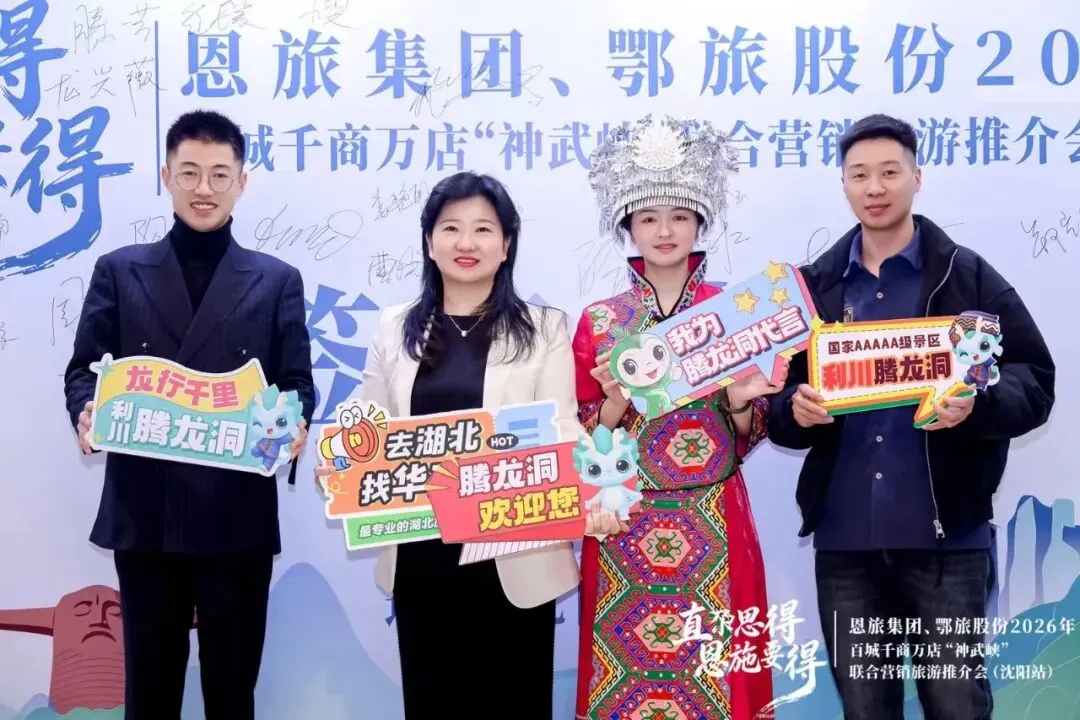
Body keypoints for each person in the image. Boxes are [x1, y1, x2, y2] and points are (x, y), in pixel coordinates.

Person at [766, 114, 1055, 719]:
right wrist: (795, 410)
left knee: (955, 705)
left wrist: (978, 404)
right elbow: (777, 400)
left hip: (946, 539)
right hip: (846, 542)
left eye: (889, 172)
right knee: (865, 708)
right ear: (843, 185)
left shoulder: (966, 277)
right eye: (859, 175)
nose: (875, 188)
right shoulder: (813, 288)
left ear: (916, 178)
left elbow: (1034, 379)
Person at [63, 110, 315, 719]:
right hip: (146, 514)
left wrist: (294, 423)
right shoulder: (120, 271)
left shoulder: (277, 280)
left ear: (241, 182)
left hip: (236, 517)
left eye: (220, 174)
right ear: (166, 176)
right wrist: (88, 410)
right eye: (190, 172)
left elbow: (296, 384)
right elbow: (82, 370)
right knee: (150, 695)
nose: (205, 188)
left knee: (232, 694)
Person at [315, 171, 581, 719]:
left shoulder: (544, 328)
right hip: (422, 557)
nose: (467, 242)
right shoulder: (394, 328)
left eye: (483, 229)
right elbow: (370, 434)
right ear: (429, 241)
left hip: (515, 555)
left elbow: (562, 429)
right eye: (451, 227)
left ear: (506, 244)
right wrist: (342, 470)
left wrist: (590, 486)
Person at [571, 114, 786, 720]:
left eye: (679, 216)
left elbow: (745, 435)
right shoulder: (599, 321)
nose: (664, 231)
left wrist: (740, 400)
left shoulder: (733, 309)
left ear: (699, 222)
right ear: (628, 227)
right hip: (624, 520)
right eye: (648, 218)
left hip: (713, 512)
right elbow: (587, 444)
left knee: (718, 674)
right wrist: (615, 401)